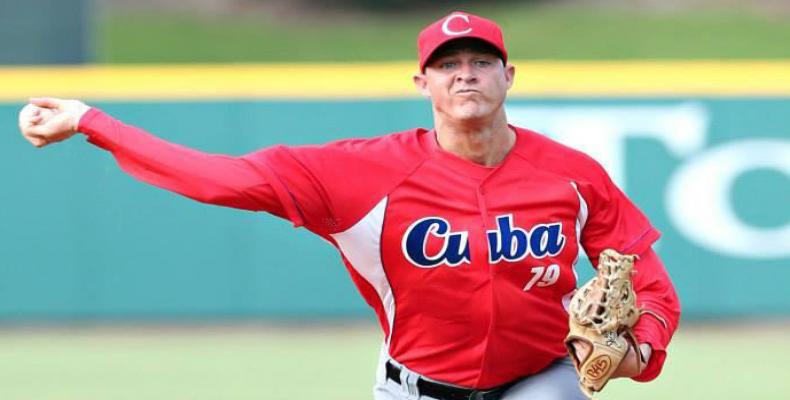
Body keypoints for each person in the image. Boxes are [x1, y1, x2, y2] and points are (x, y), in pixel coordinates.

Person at [17, 11, 680, 400]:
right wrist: (91, 123)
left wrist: (640, 352)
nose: (466, 73)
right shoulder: (362, 173)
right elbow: (215, 178)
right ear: (423, 82)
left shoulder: (570, 174)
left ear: (510, 76)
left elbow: (648, 279)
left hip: (539, 379)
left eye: (482, 60)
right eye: (449, 65)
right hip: (416, 387)